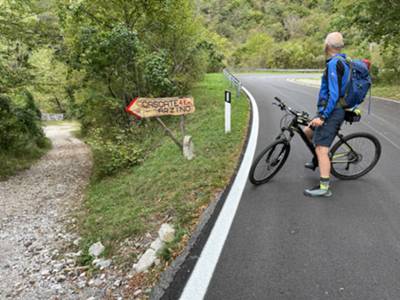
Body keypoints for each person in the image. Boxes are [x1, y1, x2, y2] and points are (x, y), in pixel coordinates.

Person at [303, 32, 350, 197]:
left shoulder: (333, 64)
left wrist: (322, 117)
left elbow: (334, 94)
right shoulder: (343, 60)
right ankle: (320, 159)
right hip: (331, 109)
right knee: (307, 131)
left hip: (332, 111)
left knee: (322, 149)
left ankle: (324, 188)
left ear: (328, 45)